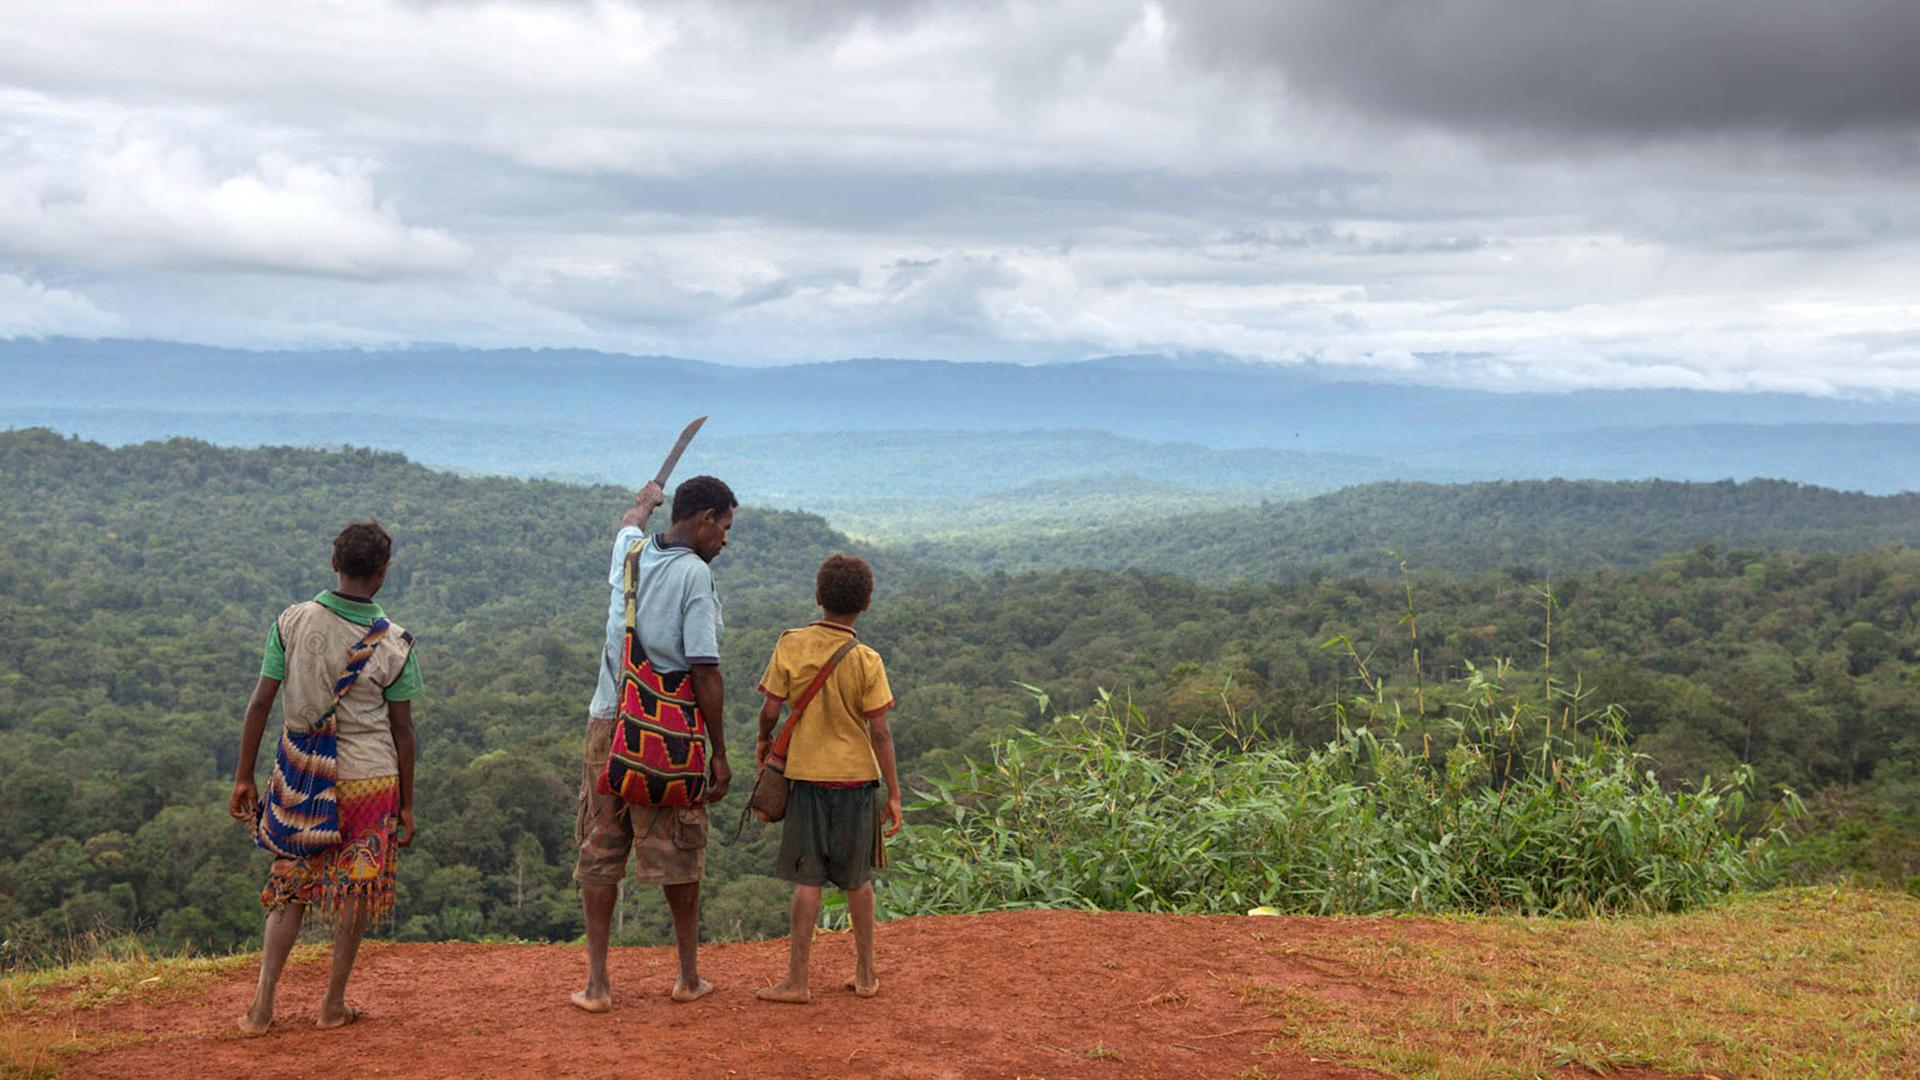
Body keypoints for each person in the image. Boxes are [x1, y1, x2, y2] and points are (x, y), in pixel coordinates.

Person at [228, 519, 422, 1035]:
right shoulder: (396, 644)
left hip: (301, 775)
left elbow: (260, 702)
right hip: (370, 780)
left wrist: (244, 776)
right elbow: (403, 731)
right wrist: (406, 804)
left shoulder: (290, 622)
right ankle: (332, 1005)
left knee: (288, 886)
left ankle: (260, 1008)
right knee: (357, 888)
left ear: (333, 565)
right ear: (382, 575)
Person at [571, 475, 736, 1012]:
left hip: (608, 721)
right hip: (666, 733)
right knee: (679, 851)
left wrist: (643, 503)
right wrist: (719, 751)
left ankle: (597, 986)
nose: (725, 542)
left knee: (600, 846)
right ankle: (687, 976)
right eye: (725, 528)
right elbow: (705, 670)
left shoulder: (632, 554)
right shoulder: (695, 576)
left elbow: (627, 526)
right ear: (706, 518)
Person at [753, 554, 903, 1005]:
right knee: (857, 880)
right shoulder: (867, 659)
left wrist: (764, 741)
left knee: (808, 881)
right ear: (867, 603)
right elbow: (880, 731)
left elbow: (770, 710)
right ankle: (866, 974)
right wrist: (894, 793)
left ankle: (797, 981)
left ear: (818, 596)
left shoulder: (791, 644)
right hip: (857, 784)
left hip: (806, 780)